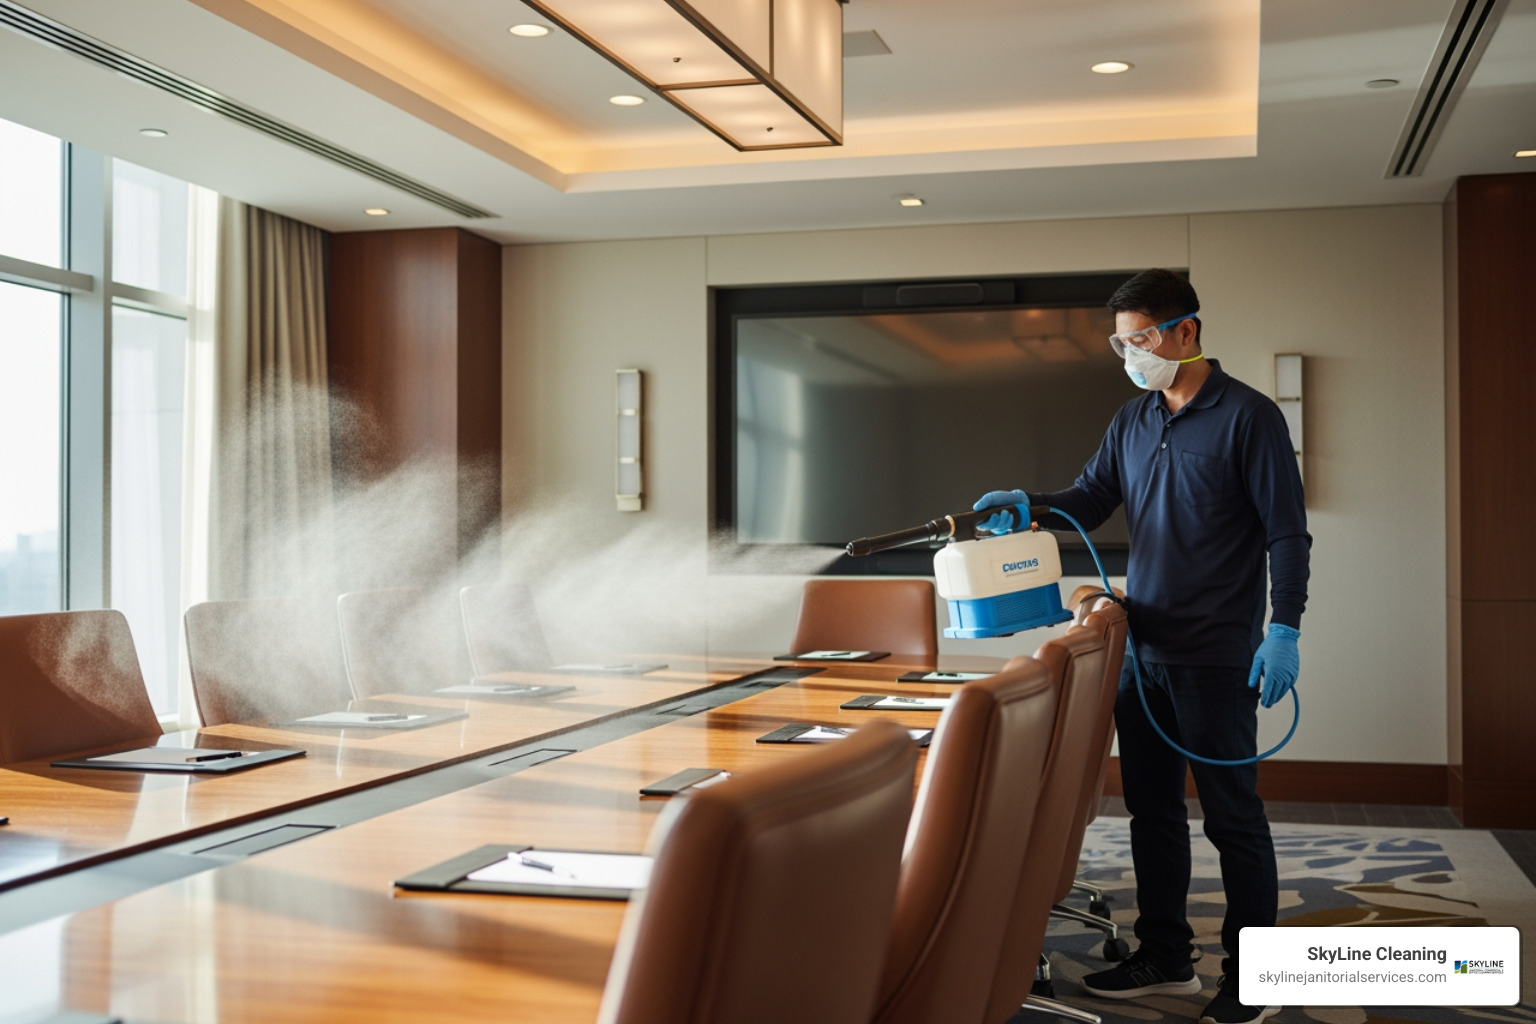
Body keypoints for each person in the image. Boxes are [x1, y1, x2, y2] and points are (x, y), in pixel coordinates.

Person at [973, 268, 1309, 1024]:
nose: (1131, 355)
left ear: (1186, 330)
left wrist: (1284, 628)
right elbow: (1091, 500)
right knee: (1151, 812)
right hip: (1139, 649)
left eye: (1142, 339)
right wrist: (1032, 504)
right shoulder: (1133, 418)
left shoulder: (1249, 417)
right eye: (1121, 343)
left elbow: (1288, 534)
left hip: (1215, 656)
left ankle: (1257, 981)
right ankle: (1166, 958)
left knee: (1233, 819)